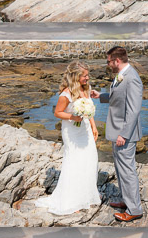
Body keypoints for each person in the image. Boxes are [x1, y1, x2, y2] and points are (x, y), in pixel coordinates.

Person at [33, 61, 100, 215]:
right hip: (72, 132)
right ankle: (71, 200)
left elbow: (88, 110)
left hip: (86, 130)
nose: (87, 78)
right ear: (76, 76)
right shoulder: (66, 93)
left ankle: (86, 196)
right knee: (74, 162)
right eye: (84, 75)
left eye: (87, 75)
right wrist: (72, 117)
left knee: (90, 159)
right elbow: (57, 113)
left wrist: (93, 126)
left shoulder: (87, 89)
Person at [90, 46, 145, 222]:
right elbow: (118, 98)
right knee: (121, 169)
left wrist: (124, 134)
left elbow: (134, 110)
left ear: (117, 61)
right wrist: (101, 96)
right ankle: (126, 200)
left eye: (108, 62)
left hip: (124, 134)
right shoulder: (123, 76)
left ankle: (134, 210)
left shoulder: (132, 78)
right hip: (118, 131)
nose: (108, 65)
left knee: (127, 170)